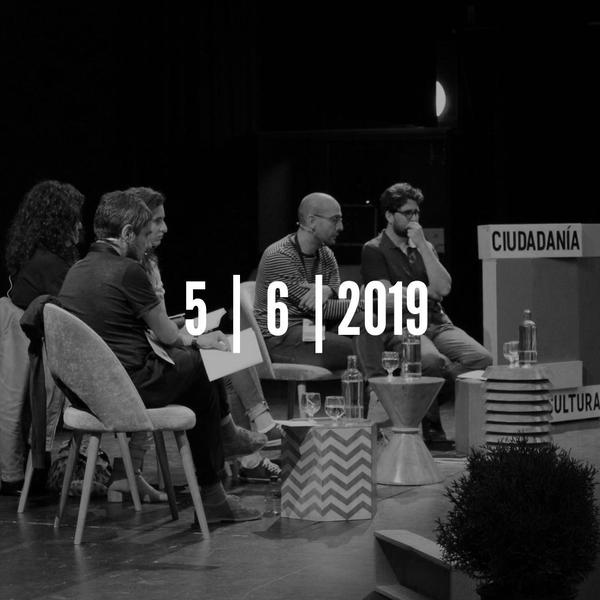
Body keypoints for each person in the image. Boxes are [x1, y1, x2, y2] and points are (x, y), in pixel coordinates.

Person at [59, 191, 266, 522]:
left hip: (87, 392)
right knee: (203, 361)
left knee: (198, 366)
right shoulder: (127, 270)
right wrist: (200, 340)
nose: (148, 243)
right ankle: (217, 480)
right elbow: (169, 336)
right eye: (145, 233)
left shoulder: (77, 269)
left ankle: (219, 468)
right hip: (127, 389)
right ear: (127, 233)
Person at [127, 186, 282, 484]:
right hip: (152, 358)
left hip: (159, 342)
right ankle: (260, 428)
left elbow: (153, 319)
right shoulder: (132, 269)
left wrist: (181, 324)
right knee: (231, 351)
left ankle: (248, 458)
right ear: (138, 223)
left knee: (230, 356)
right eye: (157, 221)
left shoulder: (149, 263)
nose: (164, 228)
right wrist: (186, 334)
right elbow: (144, 327)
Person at [355, 182, 492, 443]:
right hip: (402, 325)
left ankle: (415, 402)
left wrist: (422, 246)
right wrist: (425, 291)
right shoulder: (374, 249)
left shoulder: (423, 245)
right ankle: (431, 426)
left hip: (436, 322)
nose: (414, 219)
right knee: (430, 361)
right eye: (408, 213)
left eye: (417, 213)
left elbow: (444, 288)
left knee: (481, 358)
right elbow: (387, 297)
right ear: (389, 215)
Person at [0, 180, 85, 495]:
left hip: (24, 337)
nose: (80, 225)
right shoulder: (49, 263)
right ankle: (28, 473)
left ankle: (26, 472)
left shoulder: (36, 253)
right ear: (56, 222)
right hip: (27, 341)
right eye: (74, 218)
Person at [254, 192, 362, 371]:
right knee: (358, 350)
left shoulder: (325, 253)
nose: (341, 227)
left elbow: (337, 294)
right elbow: (323, 308)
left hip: (313, 329)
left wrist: (328, 289)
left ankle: (375, 384)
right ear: (312, 221)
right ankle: (375, 384)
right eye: (335, 220)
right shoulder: (280, 256)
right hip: (281, 337)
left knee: (366, 321)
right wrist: (368, 303)